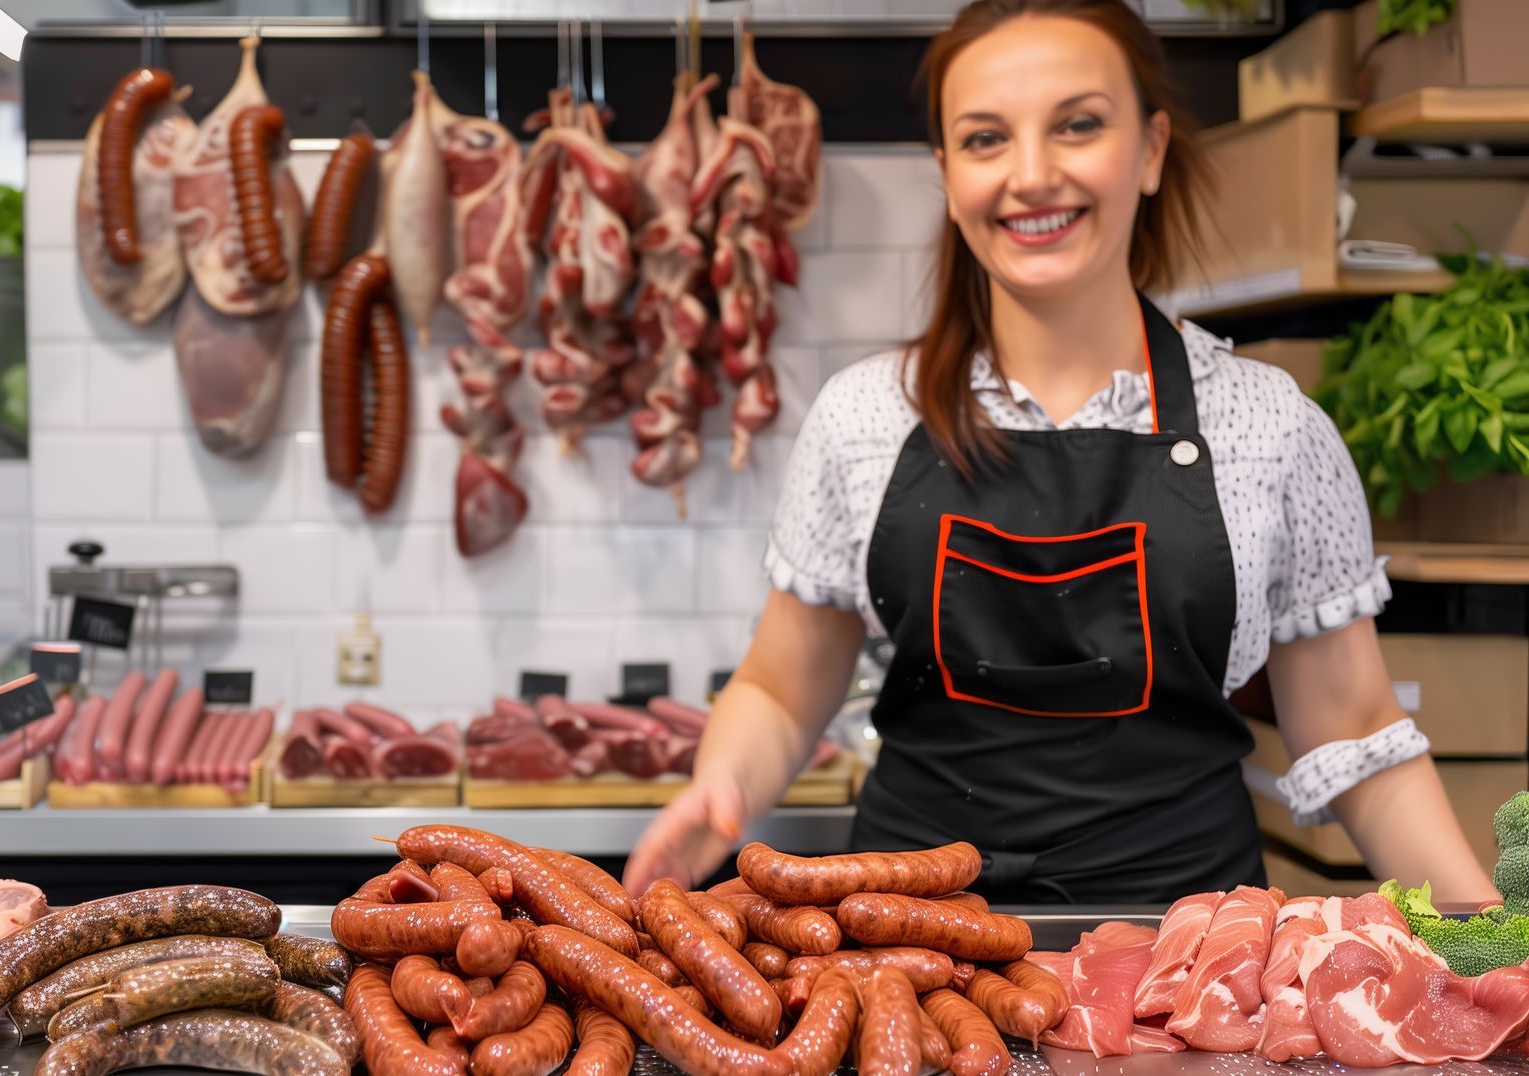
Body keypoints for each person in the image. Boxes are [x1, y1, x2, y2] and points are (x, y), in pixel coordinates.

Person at [622, 0, 1498, 904]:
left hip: (1186, 960)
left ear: (1151, 149)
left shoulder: (1270, 426)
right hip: (910, 941)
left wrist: (1488, 946)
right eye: (986, 139)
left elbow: (1354, 729)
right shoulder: (864, 419)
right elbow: (778, 689)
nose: (1031, 175)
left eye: (1078, 125)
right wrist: (719, 787)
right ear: (948, 173)